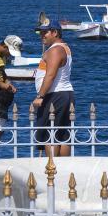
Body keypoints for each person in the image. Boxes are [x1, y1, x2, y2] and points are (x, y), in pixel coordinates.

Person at [33, 19, 75, 157]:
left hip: (54, 95)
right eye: (41, 32)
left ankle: (52, 171)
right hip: (63, 94)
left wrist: (40, 96)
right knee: (62, 135)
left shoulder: (56, 50)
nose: (42, 35)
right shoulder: (64, 47)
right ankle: (64, 171)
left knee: (49, 135)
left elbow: (50, 75)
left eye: (45, 32)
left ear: (55, 32)